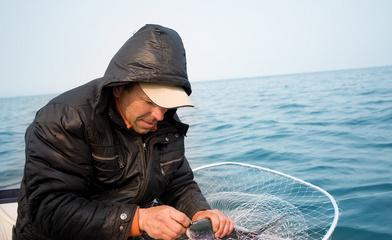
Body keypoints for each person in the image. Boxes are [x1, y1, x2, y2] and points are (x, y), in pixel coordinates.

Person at [14, 24, 234, 240]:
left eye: (166, 104)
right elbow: (49, 209)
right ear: (119, 87)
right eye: (150, 101)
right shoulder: (64, 118)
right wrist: (139, 220)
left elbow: (179, 182)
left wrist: (199, 211)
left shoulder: (166, 123)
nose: (159, 115)